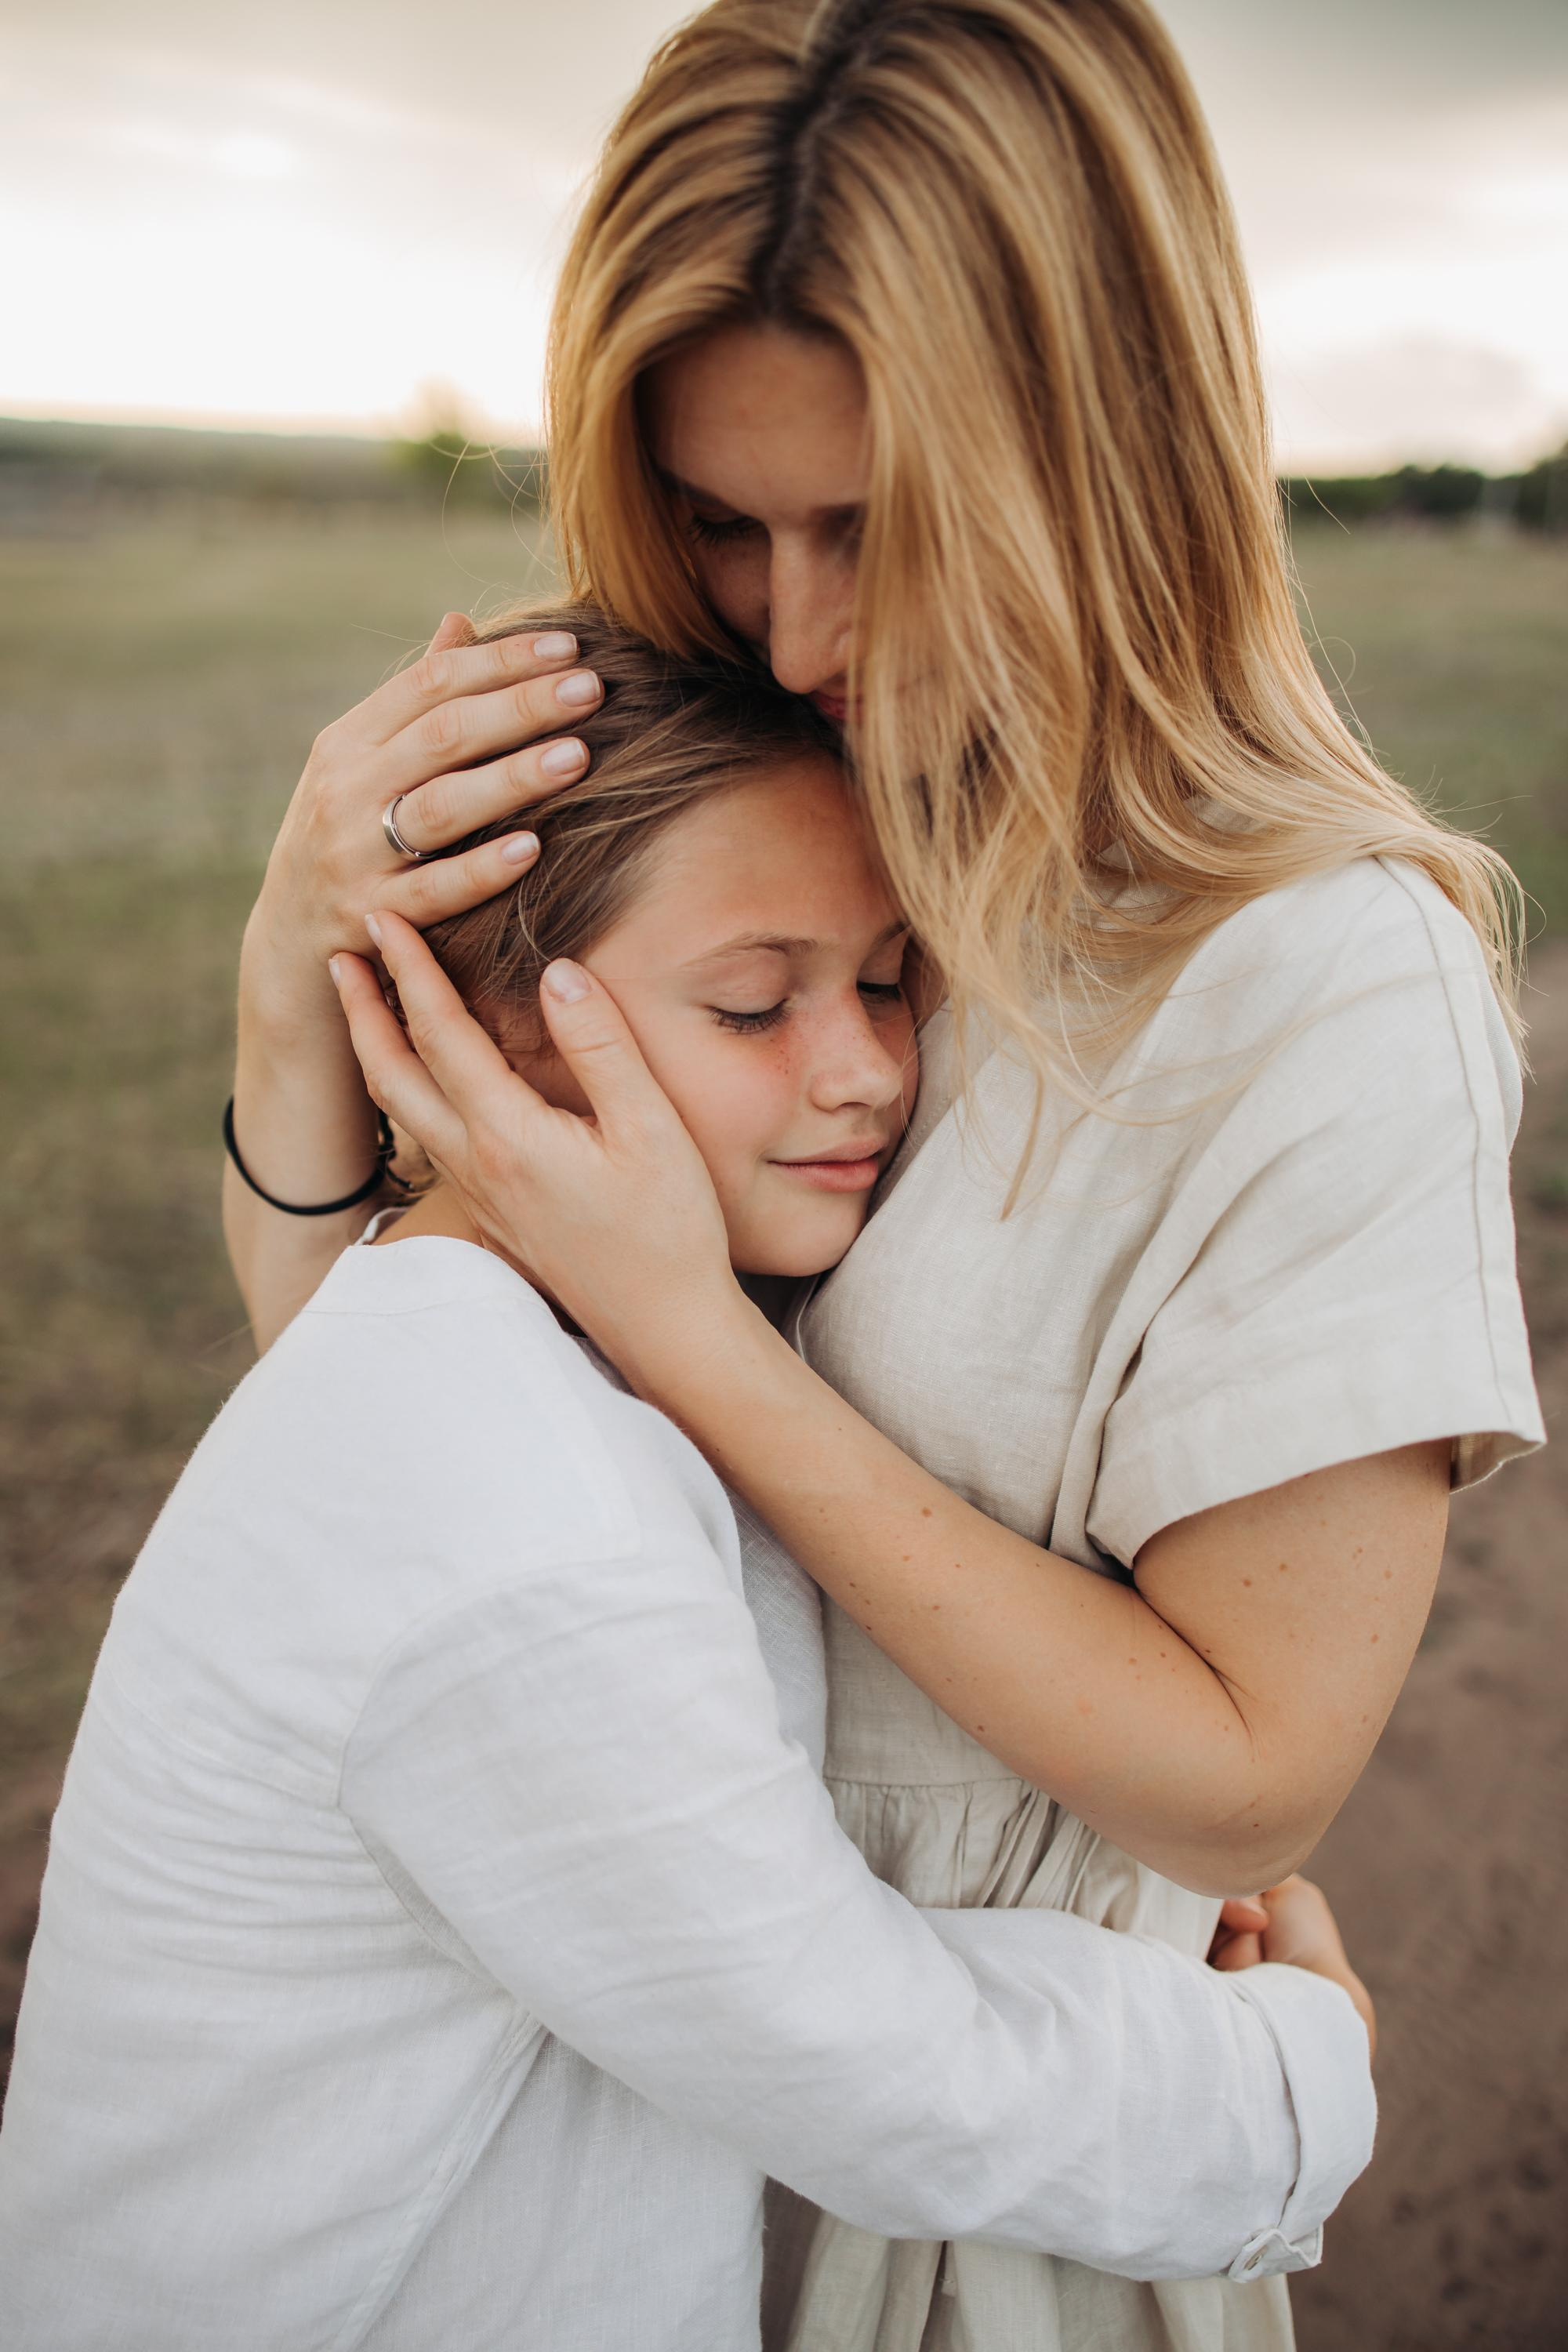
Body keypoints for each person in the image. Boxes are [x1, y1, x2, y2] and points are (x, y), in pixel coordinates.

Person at [227, 3, 1544, 2347]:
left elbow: (1244, 1781)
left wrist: (691, 1342)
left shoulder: (1325, 987)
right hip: (576, 2124)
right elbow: (398, 1447)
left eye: (880, 527)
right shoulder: (768, 816)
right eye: (723, 525)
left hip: (987, 2173)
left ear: (1111, 458)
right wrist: (286, 971)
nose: (802, 630)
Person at [0, 612, 1374, 2352]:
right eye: (751, 1000)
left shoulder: (462, 1354)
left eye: (886, 976)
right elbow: (869, 2065)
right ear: (467, 1021)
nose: (868, 1068)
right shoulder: (511, 1532)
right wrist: (1294, 2067)